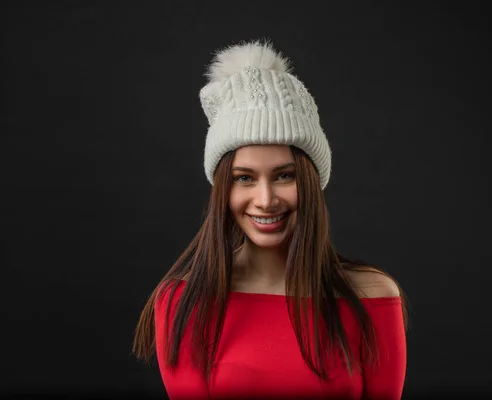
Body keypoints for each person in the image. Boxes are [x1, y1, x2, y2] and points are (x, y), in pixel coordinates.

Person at [132, 40, 409, 400]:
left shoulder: (371, 295)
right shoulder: (183, 302)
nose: (265, 201)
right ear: (223, 190)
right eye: (244, 178)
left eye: (284, 176)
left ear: (311, 182)